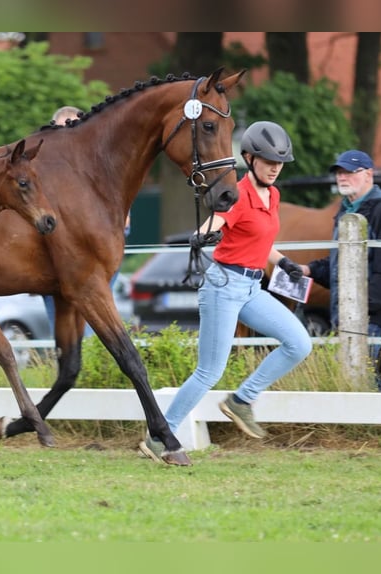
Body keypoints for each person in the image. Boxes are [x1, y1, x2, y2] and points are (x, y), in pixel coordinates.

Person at [139, 121, 313, 460]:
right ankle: (160, 436)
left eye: (279, 163)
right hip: (223, 286)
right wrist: (202, 235)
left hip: (251, 286)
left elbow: (261, 242)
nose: (275, 168)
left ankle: (241, 400)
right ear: (249, 158)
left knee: (299, 343)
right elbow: (214, 222)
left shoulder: (273, 195)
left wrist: (284, 262)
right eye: (267, 161)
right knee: (209, 371)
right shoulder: (237, 194)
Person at [301, 150, 381, 391]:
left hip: (371, 319)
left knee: (364, 387)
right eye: (339, 172)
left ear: (368, 174)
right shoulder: (346, 212)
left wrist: (360, 311)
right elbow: (344, 268)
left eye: (349, 171)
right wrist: (309, 270)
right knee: (355, 386)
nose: (342, 177)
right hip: (347, 318)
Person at [42, 105, 130, 335]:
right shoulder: (43, 167)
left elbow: (124, 219)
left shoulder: (98, 164)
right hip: (55, 252)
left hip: (92, 250)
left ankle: (93, 361)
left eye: (74, 127)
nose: (68, 134)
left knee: (95, 321)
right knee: (63, 333)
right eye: (63, 128)